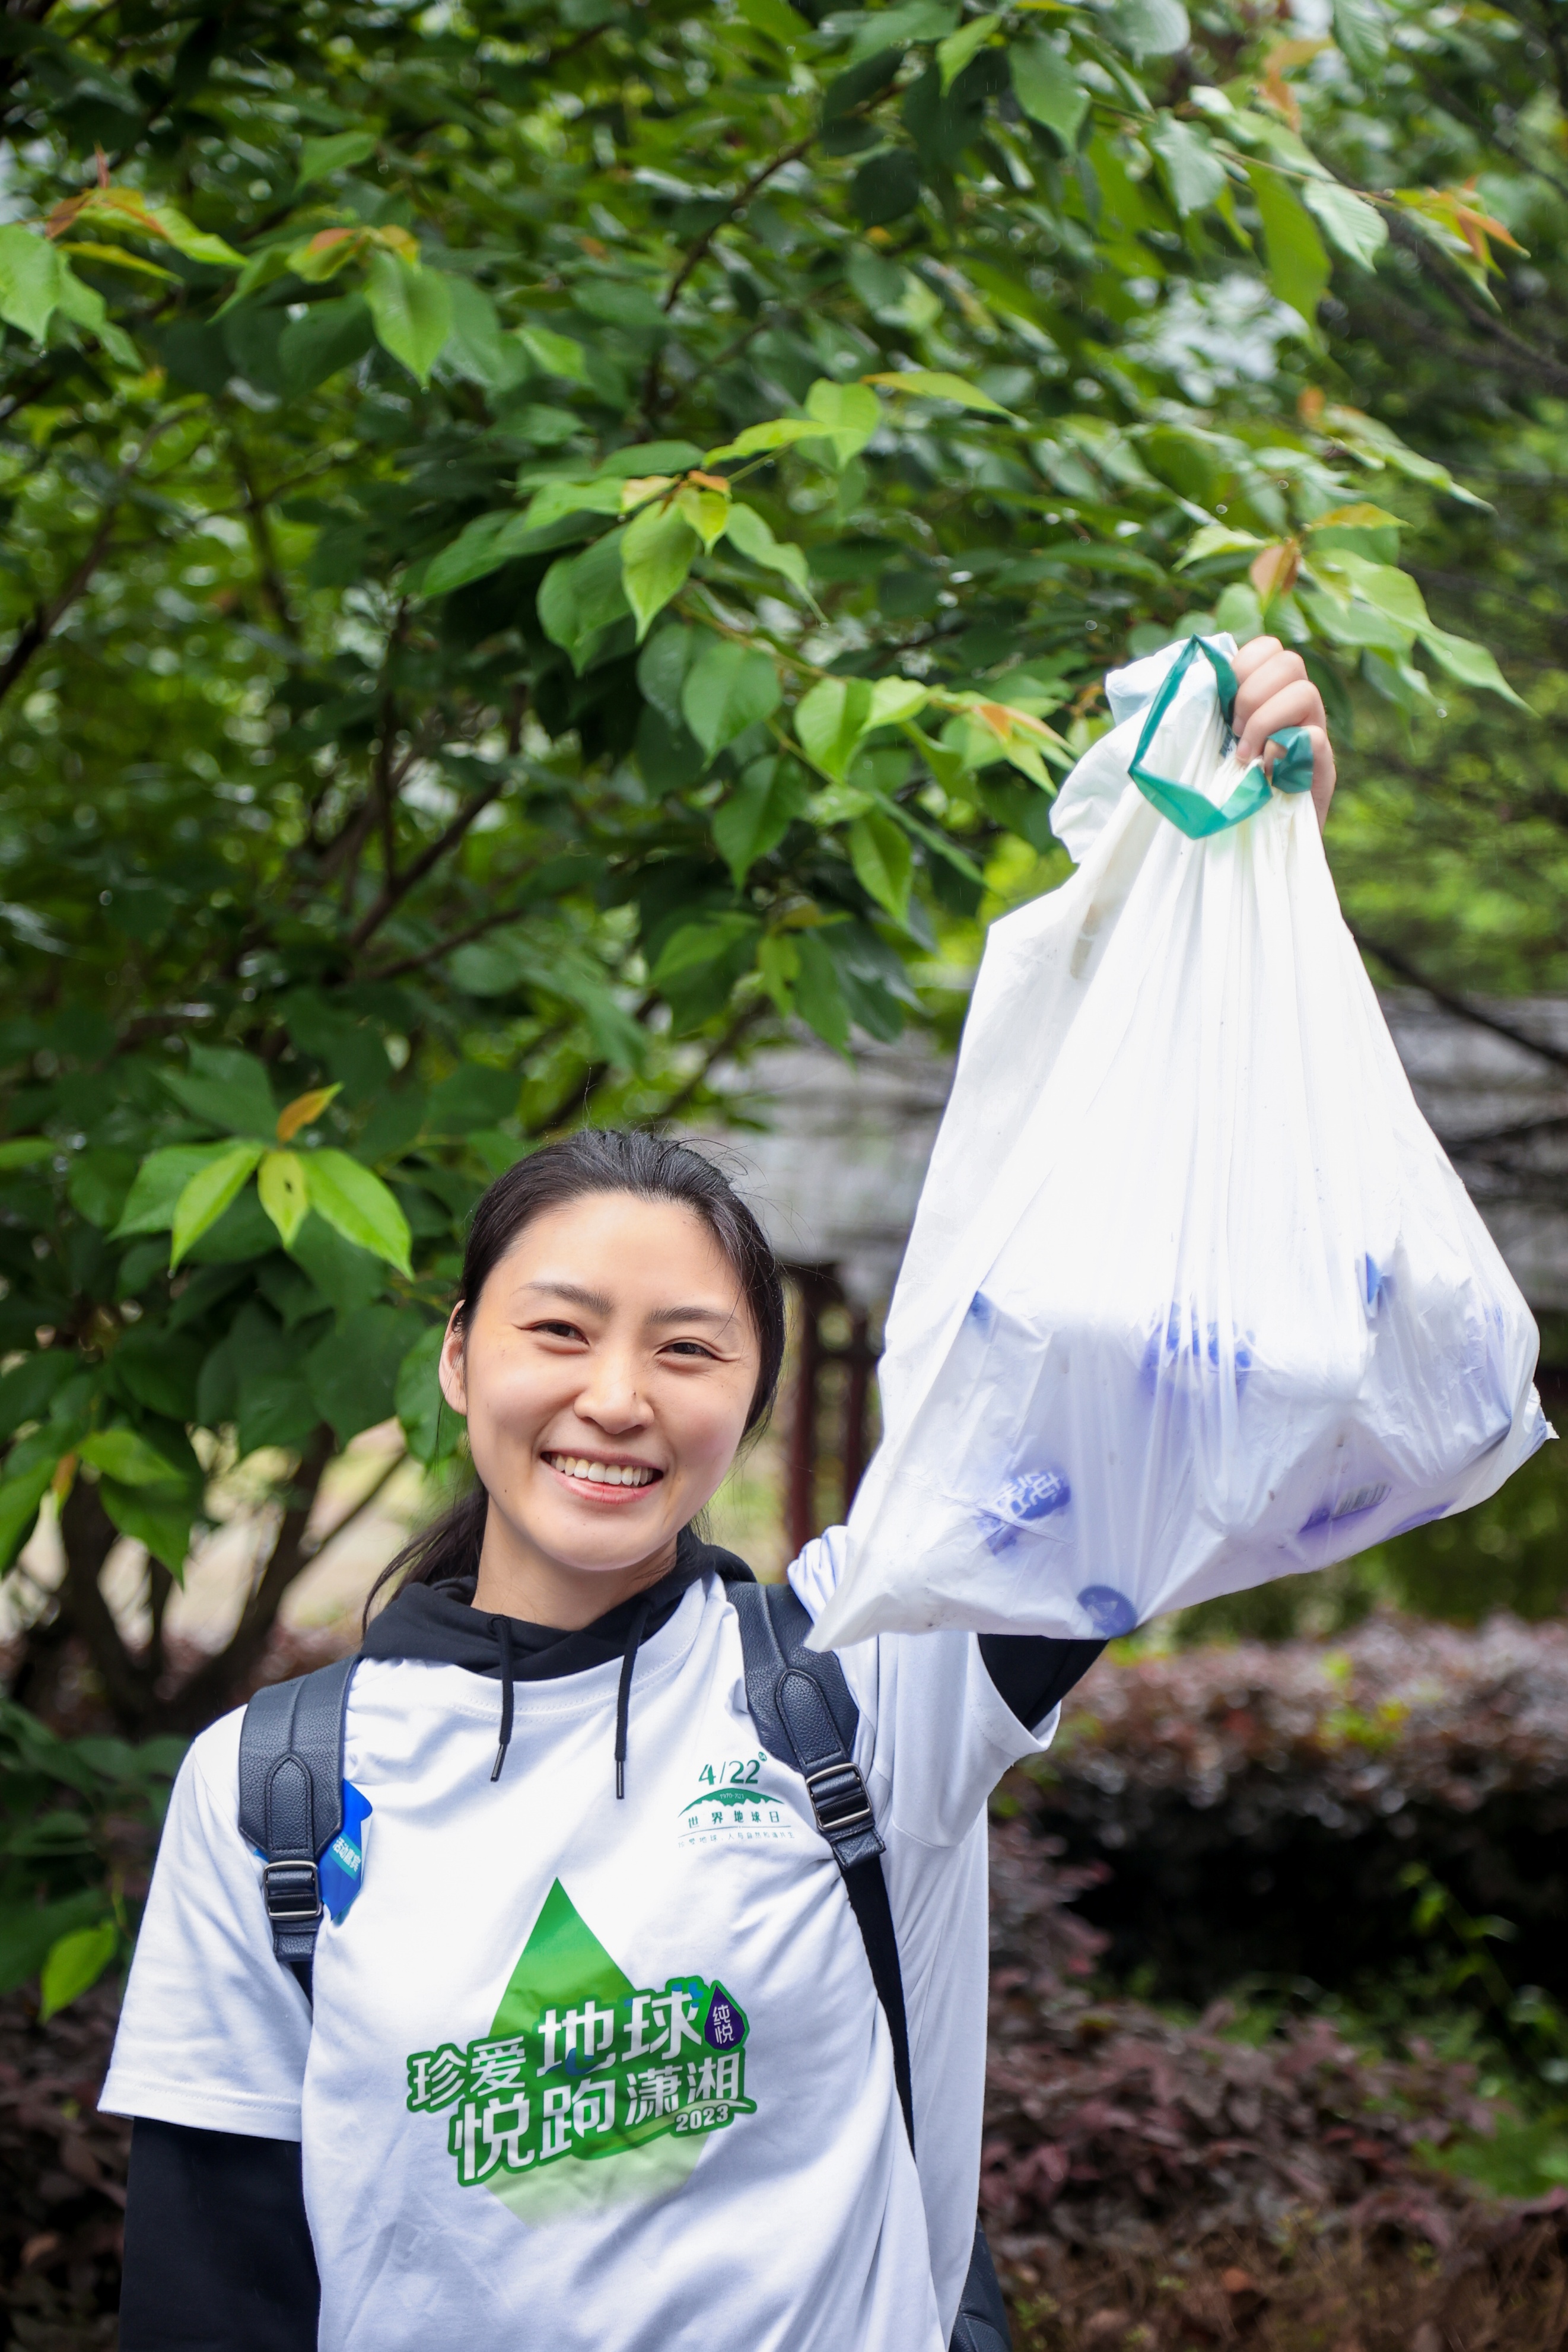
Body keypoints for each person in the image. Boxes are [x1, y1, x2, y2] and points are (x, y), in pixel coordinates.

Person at [102, 639, 1336, 2351]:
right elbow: (214, 2283)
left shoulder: (868, 1662)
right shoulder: (271, 1787)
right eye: (559, 1331)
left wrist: (1226, 909)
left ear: (749, 1389)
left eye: (687, 1346)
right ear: (460, 1359)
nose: (616, 1397)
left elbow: (1143, 1359)